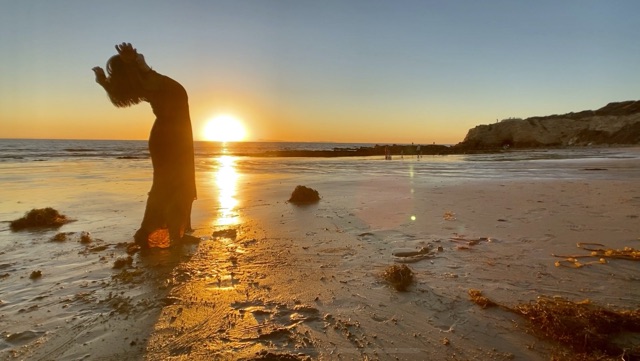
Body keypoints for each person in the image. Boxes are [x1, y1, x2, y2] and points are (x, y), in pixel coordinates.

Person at [92, 43, 197, 248]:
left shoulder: (149, 82)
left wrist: (106, 81)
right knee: (170, 185)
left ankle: (175, 234)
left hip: (174, 138)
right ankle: (151, 234)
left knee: (177, 184)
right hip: (170, 139)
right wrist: (135, 62)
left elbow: (145, 75)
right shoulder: (151, 82)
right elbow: (147, 74)